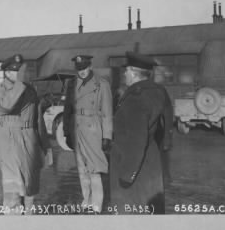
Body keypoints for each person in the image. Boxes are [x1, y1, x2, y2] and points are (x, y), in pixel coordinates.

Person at [109, 51, 173, 214]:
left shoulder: (135, 98)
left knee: (129, 213)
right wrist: (164, 143)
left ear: (133, 72)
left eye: (126, 70)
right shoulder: (159, 91)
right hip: (152, 159)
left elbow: (137, 140)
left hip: (132, 164)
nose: (124, 74)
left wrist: (127, 175)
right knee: (150, 210)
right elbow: (167, 119)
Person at [0, 54, 49, 215]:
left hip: (29, 139)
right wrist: (19, 84)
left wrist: (46, 146)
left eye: (22, 70)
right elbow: (7, 106)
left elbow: (38, 120)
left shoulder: (30, 90)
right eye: (16, 71)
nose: (20, 74)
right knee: (13, 191)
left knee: (30, 189)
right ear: (7, 73)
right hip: (9, 139)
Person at [63, 55, 113, 213]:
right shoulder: (71, 84)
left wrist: (107, 136)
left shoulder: (101, 84)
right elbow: (67, 110)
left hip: (93, 128)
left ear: (90, 66)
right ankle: (86, 201)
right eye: (79, 69)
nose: (82, 71)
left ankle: (96, 205)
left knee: (94, 169)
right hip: (77, 129)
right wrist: (66, 132)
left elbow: (107, 112)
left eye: (84, 68)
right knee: (81, 169)